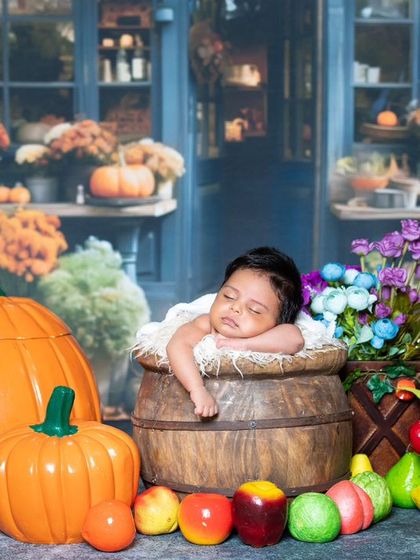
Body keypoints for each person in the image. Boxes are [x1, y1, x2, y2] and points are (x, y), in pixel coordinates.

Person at [166, 246, 304, 418]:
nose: (235, 307)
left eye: (254, 309)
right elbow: (177, 345)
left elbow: (295, 338)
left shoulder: (276, 332)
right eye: (229, 296)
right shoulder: (205, 323)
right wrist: (197, 388)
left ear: (275, 324)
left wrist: (243, 344)